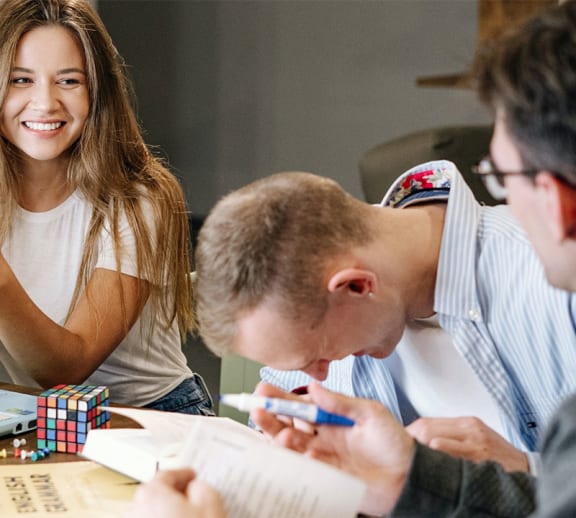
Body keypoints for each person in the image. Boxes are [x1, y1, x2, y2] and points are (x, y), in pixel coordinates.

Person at [127, 1, 576, 516]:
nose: (315, 379)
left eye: (316, 356)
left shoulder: (553, 275)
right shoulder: (324, 352)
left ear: (356, 286)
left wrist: (524, 470)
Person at [0, 0, 213, 414]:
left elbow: (66, 371)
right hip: (25, 416)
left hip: (147, 417)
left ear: (98, 90)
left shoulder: (140, 200)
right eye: (20, 79)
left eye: (69, 81)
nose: (45, 103)